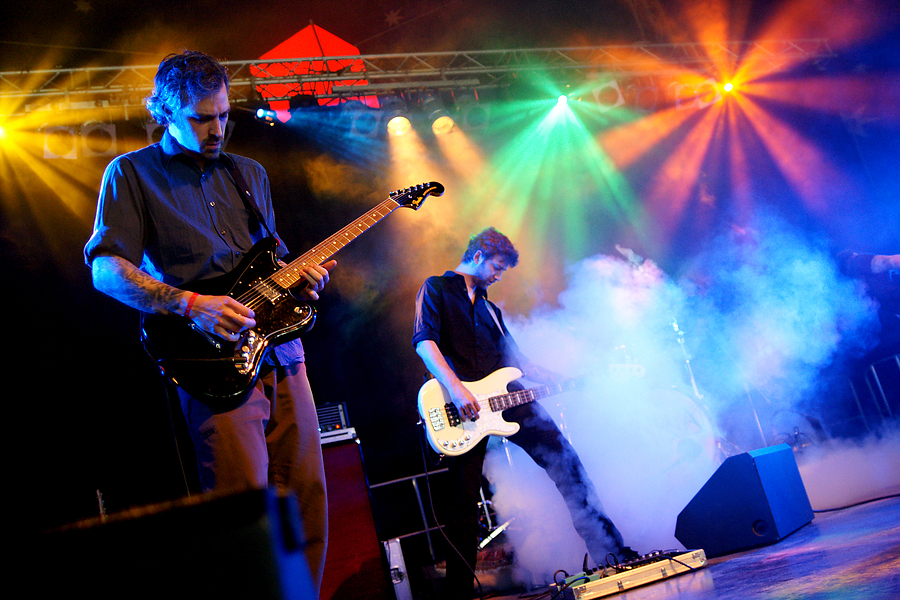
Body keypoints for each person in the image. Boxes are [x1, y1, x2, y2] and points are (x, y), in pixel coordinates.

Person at [84, 50, 334, 593]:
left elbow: (272, 260)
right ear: (164, 112)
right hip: (213, 364)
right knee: (248, 516)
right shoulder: (130, 173)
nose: (217, 128)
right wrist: (189, 303)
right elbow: (106, 270)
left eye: (223, 115)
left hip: (283, 354)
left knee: (307, 503)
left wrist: (303, 280)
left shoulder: (251, 174)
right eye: (201, 117)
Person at [412, 227, 637, 599]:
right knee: (463, 507)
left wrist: (570, 379)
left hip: (509, 398)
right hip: (458, 405)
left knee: (567, 464)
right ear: (480, 254)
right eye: (498, 266)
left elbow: (519, 363)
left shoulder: (491, 310)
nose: (500, 276)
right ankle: (458, 594)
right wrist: (456, 387)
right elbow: (424, 343)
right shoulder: (436, 288)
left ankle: (613, 553)